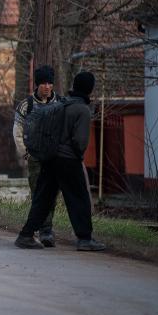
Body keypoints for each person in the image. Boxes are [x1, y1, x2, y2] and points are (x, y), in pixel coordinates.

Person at [15, 71, 106, 251]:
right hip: (68, 160)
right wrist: (78, 157)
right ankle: (85, 239)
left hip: (49, 158)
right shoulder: (82, 109)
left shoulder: (61, 104)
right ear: (89, 89)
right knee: (79, 199)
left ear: (74, 86)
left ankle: (25, 235)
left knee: (43, 199)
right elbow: (80, 142)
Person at [13, 65, 61, 246]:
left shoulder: (60, 103)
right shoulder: (27, 105)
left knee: (52, 195)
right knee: (38, 194)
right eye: (43, 83)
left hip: (54, 157)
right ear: (37, 84)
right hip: (35, 158)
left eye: (50, 83)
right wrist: (25, 154)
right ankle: (43, 230)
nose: (47, 87)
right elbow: (17, 131)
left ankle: (46, 231)